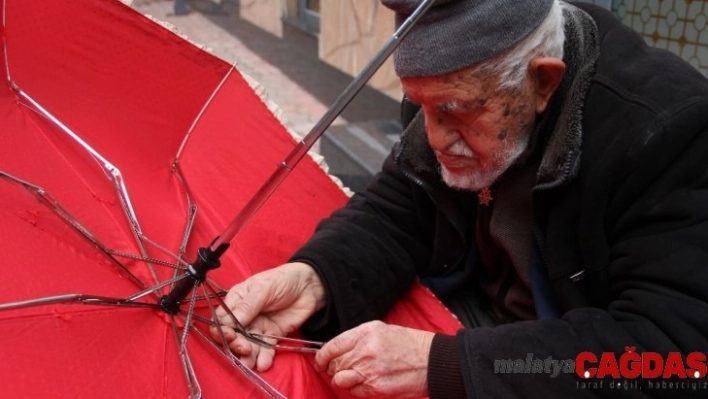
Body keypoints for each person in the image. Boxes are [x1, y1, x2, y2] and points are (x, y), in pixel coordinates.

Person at [214, 0, 708, 397]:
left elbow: (674, 355)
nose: (433, 136)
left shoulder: (668, 133)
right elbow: (400, 204)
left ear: (543, 81)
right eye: (418, 104)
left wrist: (447, 365)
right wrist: (318, 279)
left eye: (455, 111)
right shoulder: (451, 93)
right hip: (466, 315)